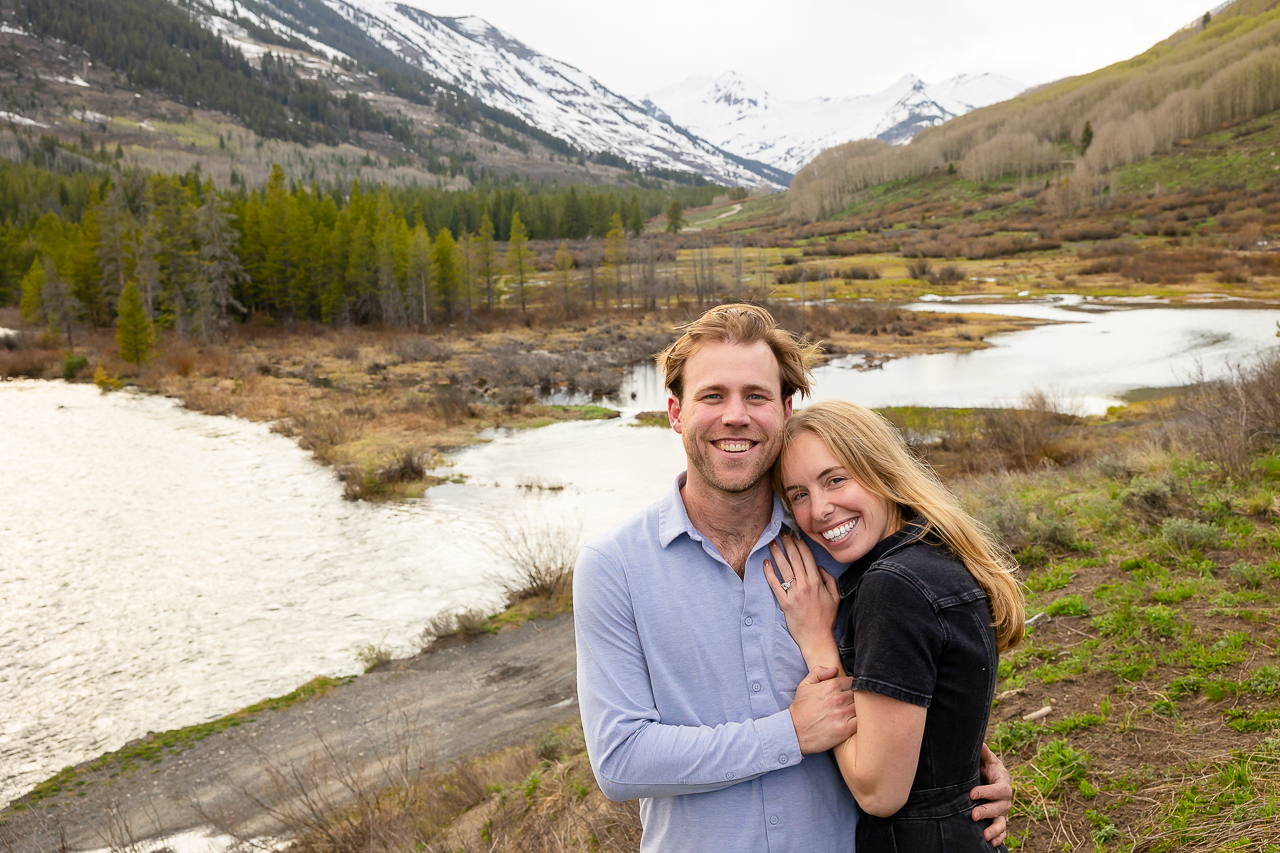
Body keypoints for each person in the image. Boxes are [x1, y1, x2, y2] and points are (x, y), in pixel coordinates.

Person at [573, 304, 1013, 852]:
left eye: (755, 396)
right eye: (712, 396)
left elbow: (909, 672)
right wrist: (789, 734)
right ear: (675, 412)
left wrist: (959, 763)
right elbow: (620, 761)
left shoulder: (838, 544)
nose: (736, 415)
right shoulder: (613, 568)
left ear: (784, 410)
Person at [763, 400, 1025, 851]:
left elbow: (878, 791)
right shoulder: (935, 555)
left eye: (835, 479)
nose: (820, 510)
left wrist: (818, 643)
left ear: (881, 470)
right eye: (799, 494)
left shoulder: (893, 587)